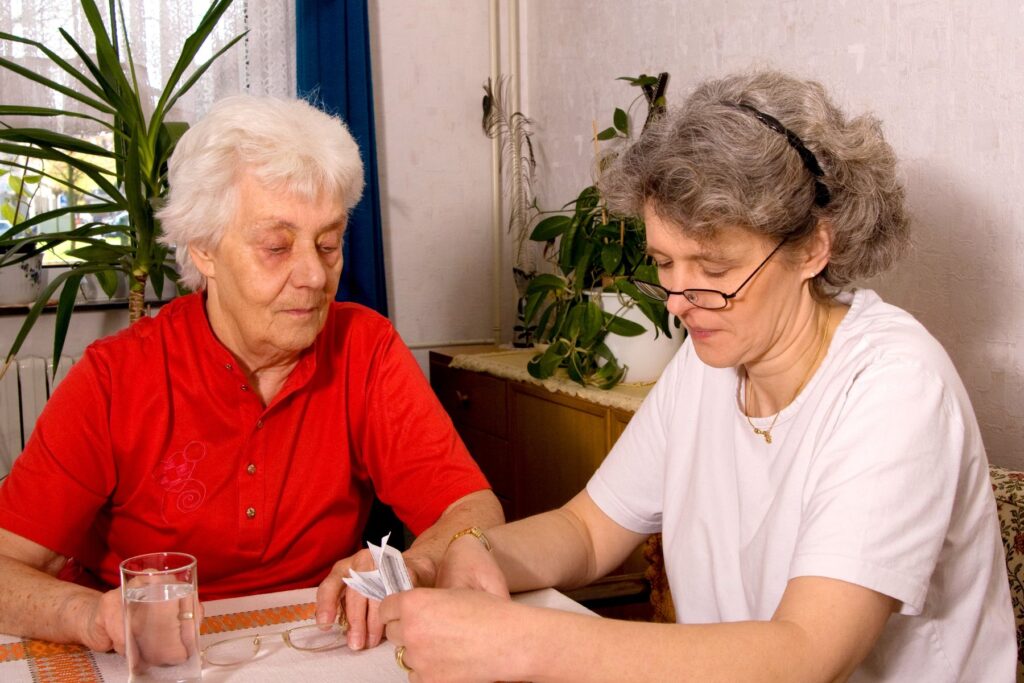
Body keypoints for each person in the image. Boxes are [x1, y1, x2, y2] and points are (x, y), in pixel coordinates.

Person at [379, 70, 1016, 682]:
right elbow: (588, 531)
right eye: (663, 262)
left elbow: (806, 655)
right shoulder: (712, 359)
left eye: (713, 268)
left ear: (814, 248)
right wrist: (473, 552)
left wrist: (518, 643)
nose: (680, 300)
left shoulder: (894, 385)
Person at [0, 95, 503, 656]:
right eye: (276, 246)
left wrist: (408, 564)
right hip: (150, 660)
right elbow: (6, 567)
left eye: (329, 243)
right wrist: (91, 616)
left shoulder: (366, 347)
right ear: (204, 249)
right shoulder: (114, 378)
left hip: (314, 647)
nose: (314, 275)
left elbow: (471, 510)